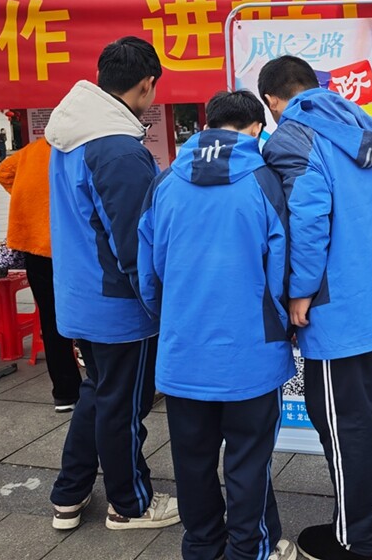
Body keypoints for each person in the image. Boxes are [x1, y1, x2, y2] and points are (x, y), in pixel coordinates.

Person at [258, 55, 372, 560]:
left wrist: (300, 291)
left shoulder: (292, 136)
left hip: (338, 312)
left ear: (272, 100)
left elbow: (308, 218)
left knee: (341, 420)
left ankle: (354, 539)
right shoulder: (370, 126)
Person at [137, 90, 296, 560]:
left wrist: (170, 319)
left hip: (183, 349)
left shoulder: (166, 181)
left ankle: (202, 546)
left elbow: (148, 272)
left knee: (192, 460)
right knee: (249, 460)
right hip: (251, 352)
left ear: (207, 124)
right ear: (255, 128)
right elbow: (281, 271)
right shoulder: (264, 180)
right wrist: (283, 322)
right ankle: (248, 550)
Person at [45, 36, 180, 532]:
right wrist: (158, 304)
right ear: (146, 84)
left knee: (99, 395)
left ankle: (69, 493)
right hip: (119, 304)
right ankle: (130, 503)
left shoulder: (71, 134)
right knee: (124, 406)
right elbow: (135, 242)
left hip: (82, 294)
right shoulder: (118, 149)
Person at [0, 138, 82, 413]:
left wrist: (27, 199)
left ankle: (65, 393)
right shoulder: (81, 148)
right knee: (88, 316)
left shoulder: (31, 151)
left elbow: (4, 172)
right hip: (73, 247)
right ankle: (99, 386)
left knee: (50, 318)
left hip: (36, 247)